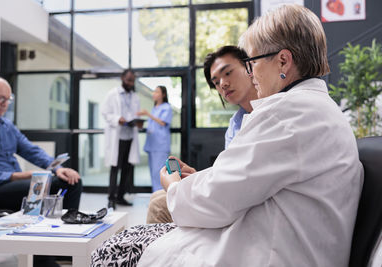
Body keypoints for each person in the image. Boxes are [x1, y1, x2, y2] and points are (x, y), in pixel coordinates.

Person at [92, 4, 363, 267]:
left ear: (283, 60)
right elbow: (241, 180)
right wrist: (198, 180)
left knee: (110, 250)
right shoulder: (308, 109)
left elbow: (219, 198)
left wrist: (175, 186)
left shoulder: (287, 113)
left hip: (268, 252)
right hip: (271, 239)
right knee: (139, 231)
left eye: (251, 62)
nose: (250, 73)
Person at [146, 45, 258, 224]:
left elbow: (242, 182)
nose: (223, 84)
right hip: (230, 193)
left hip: (242, 206)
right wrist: (197, 175)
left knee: (159, 205)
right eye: (216, 81)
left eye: (228, 73)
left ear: (250, 67)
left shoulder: (268, 115)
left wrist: (179, 186)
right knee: (157, 195)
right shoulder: (235, 124)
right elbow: (227, 170)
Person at [0, 77, 82, 213]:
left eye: (8, 99)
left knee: (71, 181)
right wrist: (15, 176)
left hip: (12, 185)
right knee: (42, 184)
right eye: (0, 98)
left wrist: (57, 168)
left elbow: (32, 151)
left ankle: (66, 226)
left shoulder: (7, 126)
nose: (5, 104)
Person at [102, 69, 141, 208]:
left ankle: (120, 197)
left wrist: (137, 121)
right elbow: (105, 113)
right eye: (128, 80)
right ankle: (111, 198)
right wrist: (118, 119)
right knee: (115, 167)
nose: (130, 83)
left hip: (130, 136)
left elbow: (136, 113)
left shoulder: (135, 96)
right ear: (122, 78)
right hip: (117, 137)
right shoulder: (112, 94)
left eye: (132, 81)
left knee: (127, 168)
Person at [137, 86, 173, 192]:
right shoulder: (155, 108)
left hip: (160, 145)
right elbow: (153, 125)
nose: (154, 94)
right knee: (153, 172)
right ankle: (155, 196)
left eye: (157, 92)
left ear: (163, 95)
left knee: (159, 173)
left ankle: (160, 197)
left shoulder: (167, 107)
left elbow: (162, 122)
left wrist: (148, 114)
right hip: (152, 144)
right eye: (154, 91)